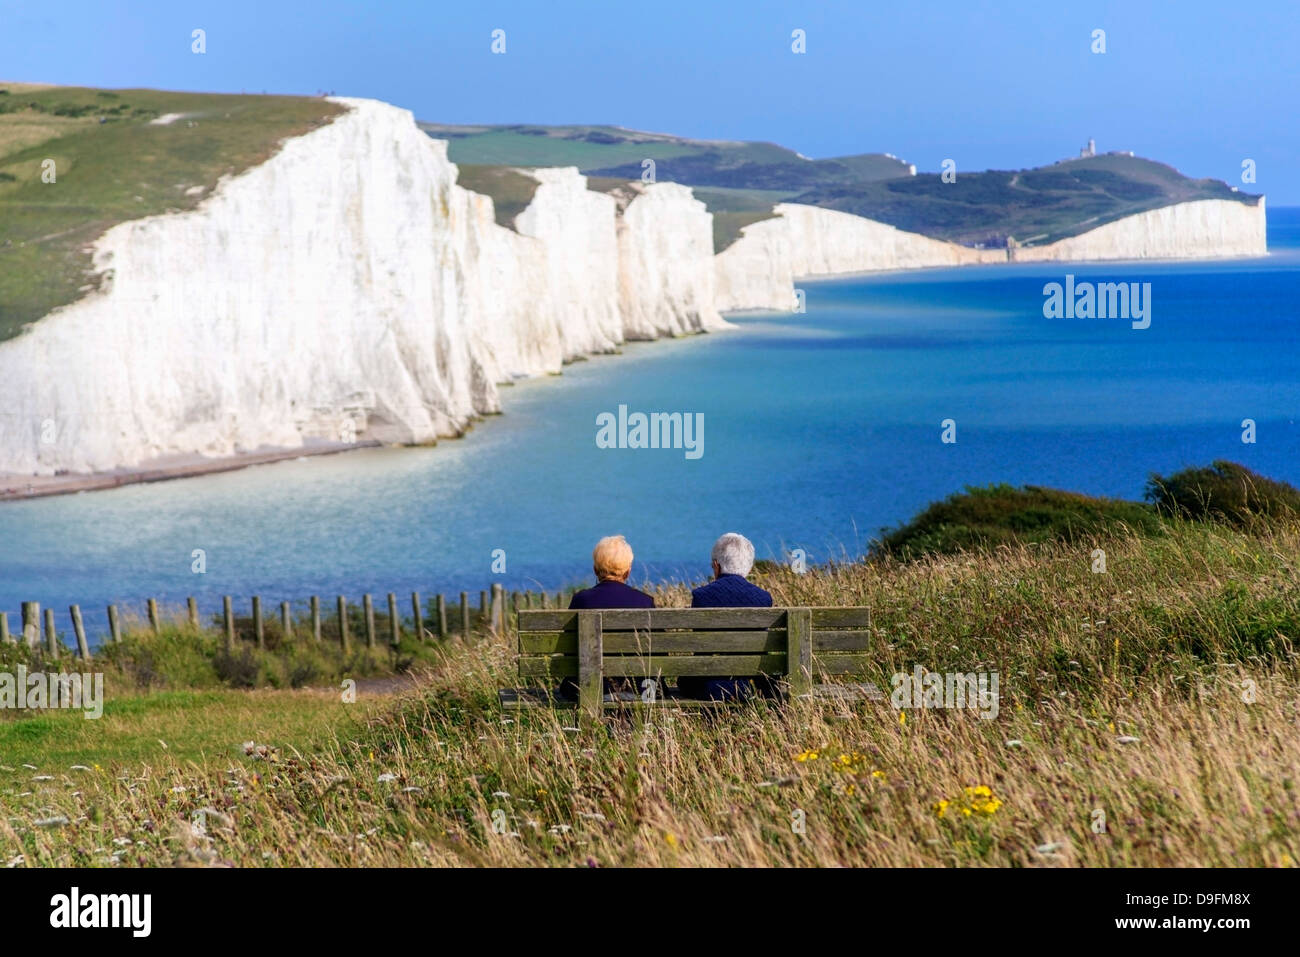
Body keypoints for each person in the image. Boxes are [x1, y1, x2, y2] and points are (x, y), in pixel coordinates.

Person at [679, 532, 774, 701]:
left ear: (716, 565)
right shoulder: (763, 598)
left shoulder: (701, 596)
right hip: (747, 685)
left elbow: (700, 648)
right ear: (749, 567)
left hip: (708, 686)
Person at [558, 535, 654, 701]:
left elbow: (568, 651)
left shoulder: (581, 600)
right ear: (628, 571)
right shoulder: (645, 602)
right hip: (639, 689)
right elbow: (658, 653)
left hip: (587, 687)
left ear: (596, 570)